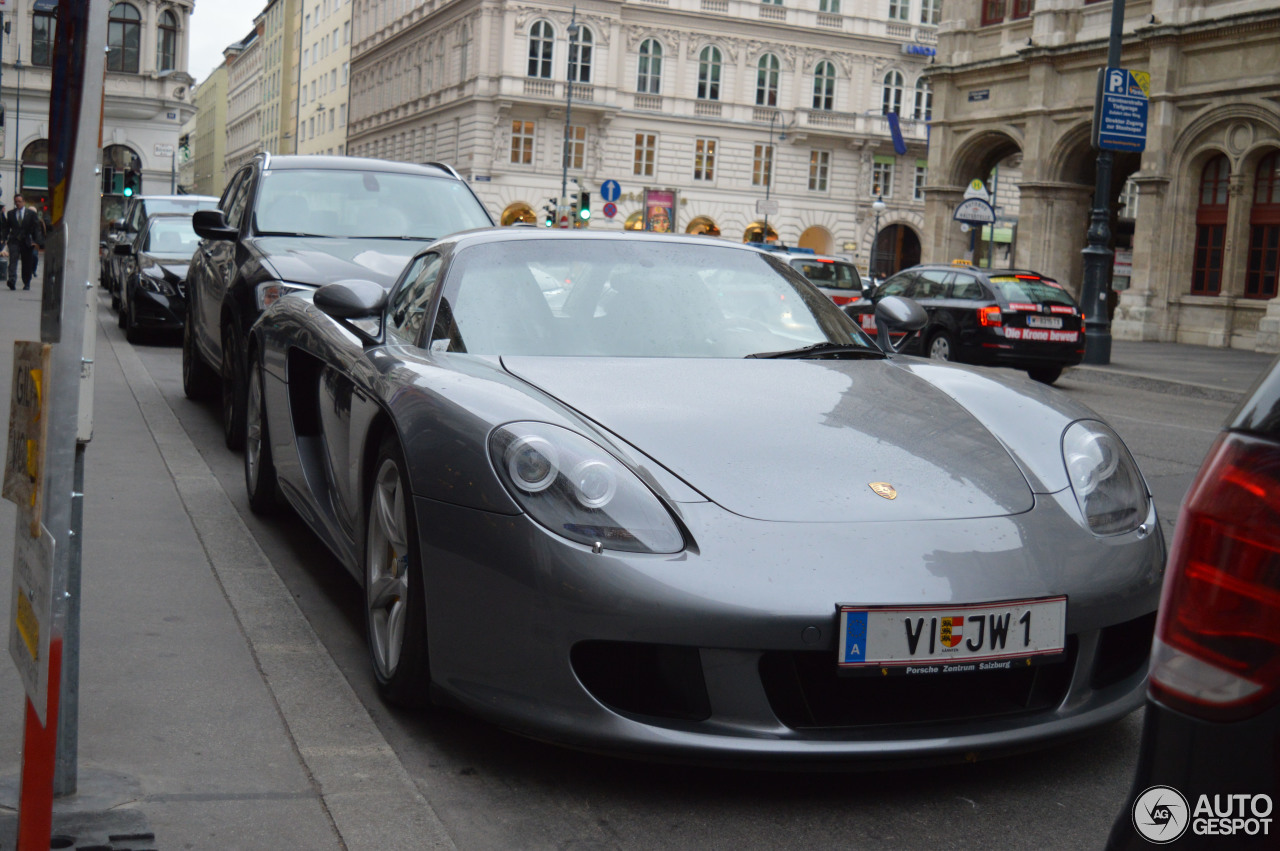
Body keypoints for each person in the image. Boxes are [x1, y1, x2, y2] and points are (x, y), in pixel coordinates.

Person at [5, 194, 44, 291]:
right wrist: (4, 238)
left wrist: (38, 241)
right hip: (14, 240)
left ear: (24, 202)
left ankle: (26, 282)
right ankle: (12, 280)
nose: (17, 203)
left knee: (27, 262)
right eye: (16, 201)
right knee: (13, 261)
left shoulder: (31, 214)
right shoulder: (10, 214)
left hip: (26, 241)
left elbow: (36, 228)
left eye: (19, 201)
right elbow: (6, 228)